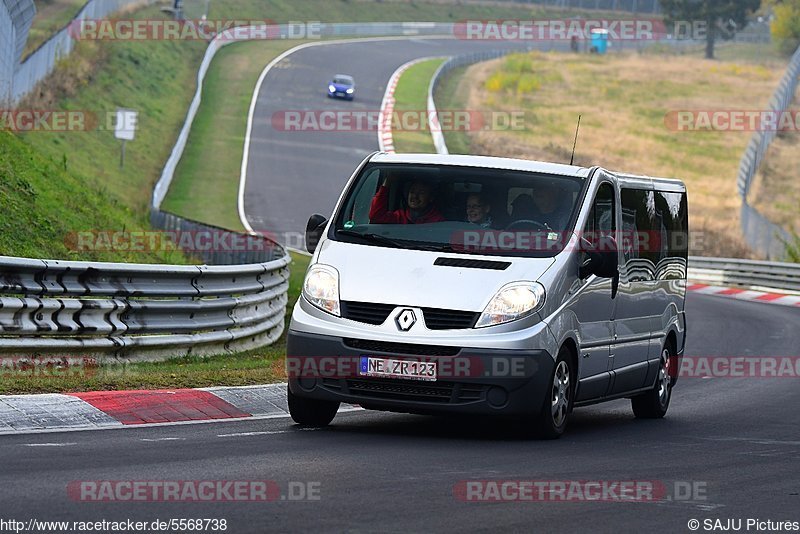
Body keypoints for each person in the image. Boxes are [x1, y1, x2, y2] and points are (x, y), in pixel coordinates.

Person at [369, 177, 445, 224]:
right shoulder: (399, 217)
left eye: (421, 193)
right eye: (412, 191)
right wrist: (387, 182)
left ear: (431, 198)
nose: (415, 196)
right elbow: (375, 216)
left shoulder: (438, 221)